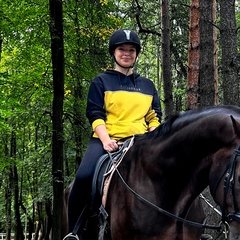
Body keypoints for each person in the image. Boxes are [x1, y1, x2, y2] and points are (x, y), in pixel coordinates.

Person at [66, 29, 162, 237]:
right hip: (108, 140)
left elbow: (154, 117)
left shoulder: (147, 85)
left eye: (131, 50)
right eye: (121, 49)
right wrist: (106, 140)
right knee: (83, 177)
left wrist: (156, 137)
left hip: (141, 142)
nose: (126, 53)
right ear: (114, 52)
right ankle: (74, 232)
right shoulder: (101, 81)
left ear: (136, 53)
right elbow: (95, 113)